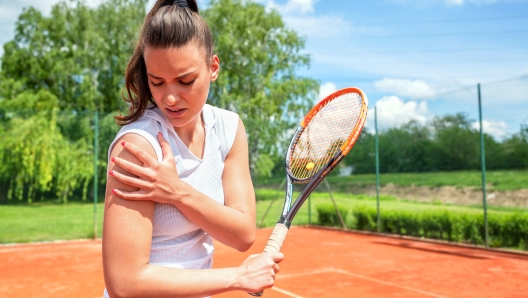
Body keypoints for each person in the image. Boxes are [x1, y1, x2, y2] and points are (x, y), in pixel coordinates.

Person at [102, 0, 283, 297]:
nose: (170, 98)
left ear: (213, 67)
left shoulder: (228, 128)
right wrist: (238, 277)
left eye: (185, 80)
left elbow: (242, 233)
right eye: (156, 82)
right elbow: (125, 282)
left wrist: (177, 192)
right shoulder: (137, 145)